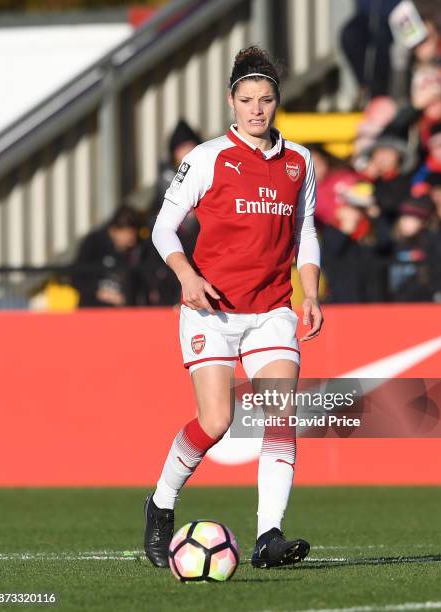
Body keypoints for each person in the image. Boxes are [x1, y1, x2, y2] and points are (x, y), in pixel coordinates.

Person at [145, 46, 323, 570]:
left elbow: (305, 231)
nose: (257, 109)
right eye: (247, 99)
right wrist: (187, 275)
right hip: (212, 311)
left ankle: (269, 535)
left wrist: (309, 291)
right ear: (231, 101)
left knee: (281, 413)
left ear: (276, 102)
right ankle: (160, 503)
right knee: (216, 420)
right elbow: (161, 228)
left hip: (272, 309)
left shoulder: (299, 162)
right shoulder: (207, 158)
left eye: (266, 99)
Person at [72, 205, 140, 308]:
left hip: (122, 315)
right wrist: (100, 293)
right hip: (92, 311)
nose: (131, 242)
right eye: (128, 235)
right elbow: (76, 277)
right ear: (115, 231)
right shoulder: (93, 244)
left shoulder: (134, 251)